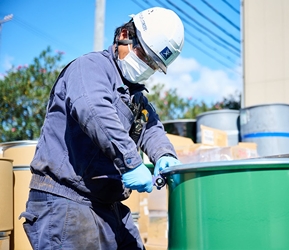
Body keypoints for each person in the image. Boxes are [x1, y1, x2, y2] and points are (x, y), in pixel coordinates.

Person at [19, 7, 184, 249]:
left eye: (153, 64)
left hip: (105, 204)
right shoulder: (90, 67)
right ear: (125, 35)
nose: (146, 66)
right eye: (145, 56)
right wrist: (131, 161)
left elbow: (150, 126)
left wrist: (165, 154)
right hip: (66, 200)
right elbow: (94, 110)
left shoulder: (135, 95)